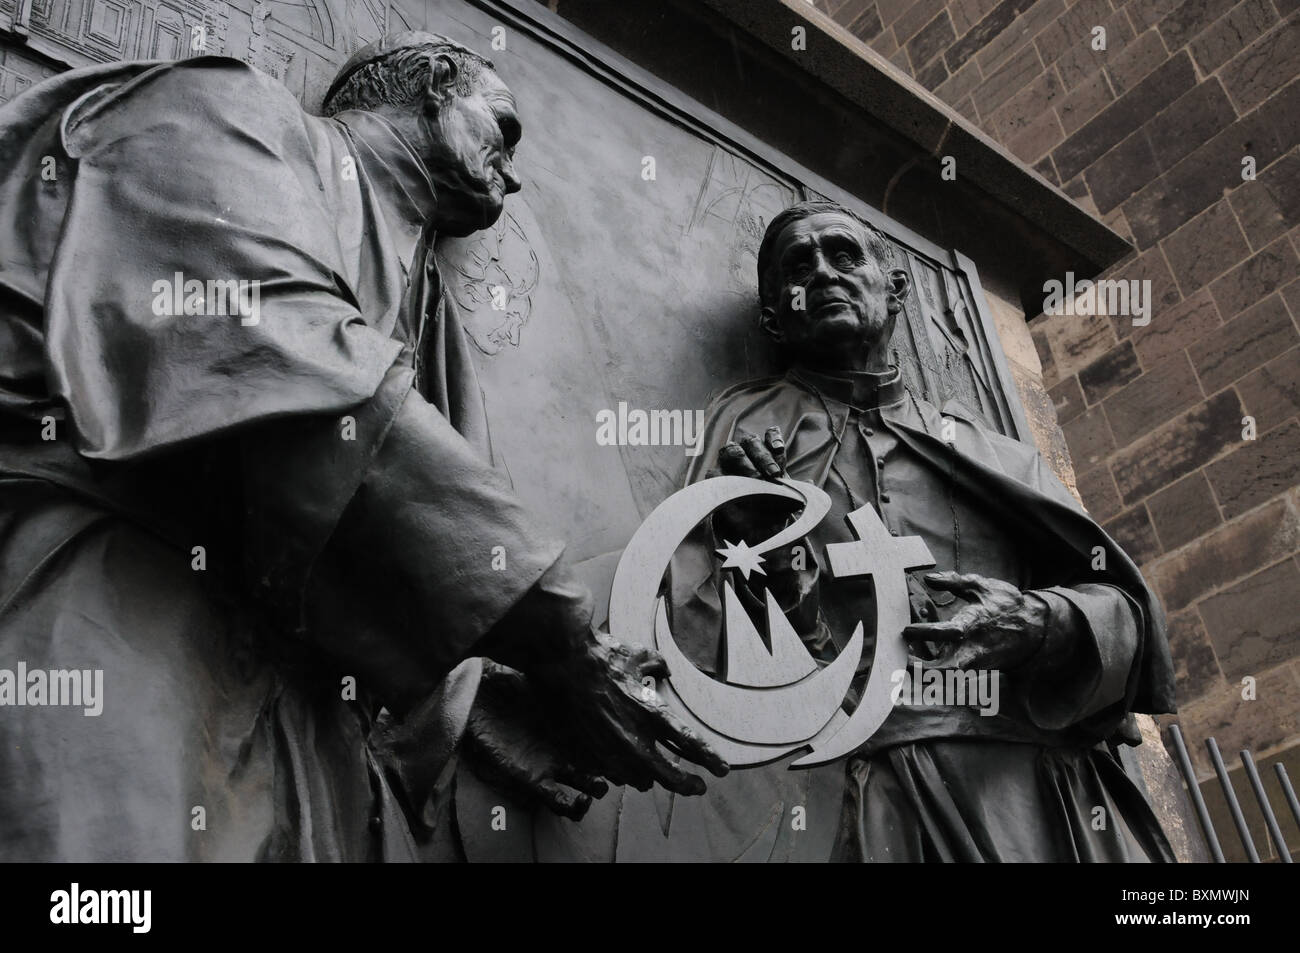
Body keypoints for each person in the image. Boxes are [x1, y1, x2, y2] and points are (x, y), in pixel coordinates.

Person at [0, 32, 722, 862]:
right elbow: (279, 362)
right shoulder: (227, 107)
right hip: (121, 605)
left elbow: (402, 529)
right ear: (437, 83)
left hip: (312, 725)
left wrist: (474, 685)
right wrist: (558, 637)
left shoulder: (430, 322)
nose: (513, 173)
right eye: (504, 128)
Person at [664, 200, 1178, 861]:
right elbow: (699, 632)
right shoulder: (749, 435)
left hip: (1031, 790)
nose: (822, 273)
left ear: (896, 287)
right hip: (870, 792)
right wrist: (773, 556)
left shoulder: (992, 453)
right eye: (799, 265)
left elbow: (1130, 617)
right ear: (774, 315)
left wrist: (1036, 621)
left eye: (843, 254)